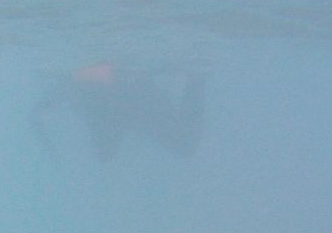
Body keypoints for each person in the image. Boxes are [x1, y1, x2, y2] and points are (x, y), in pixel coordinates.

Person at [32, 63, 205, 161]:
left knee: (185, 146)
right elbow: (39, 111)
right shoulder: (72, 89)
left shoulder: (72, 88)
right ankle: (197, 74)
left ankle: (197, 74)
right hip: (126, 110)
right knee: (184, 146)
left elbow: (40, 110)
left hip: (133, 106)